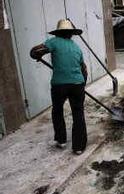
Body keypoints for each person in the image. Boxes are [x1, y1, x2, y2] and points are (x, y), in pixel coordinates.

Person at [30, 19, 88, 155]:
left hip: (59, 85)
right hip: (77, 84)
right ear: (71, 34)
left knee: (57, 110)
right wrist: (81, 85)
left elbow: (35, 51)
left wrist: (37, 55)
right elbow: (84, 69)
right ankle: (78, 147)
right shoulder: (76, 47)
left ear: (58, 32)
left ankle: (61, 140)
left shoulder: (53, 42)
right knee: (78, 113)